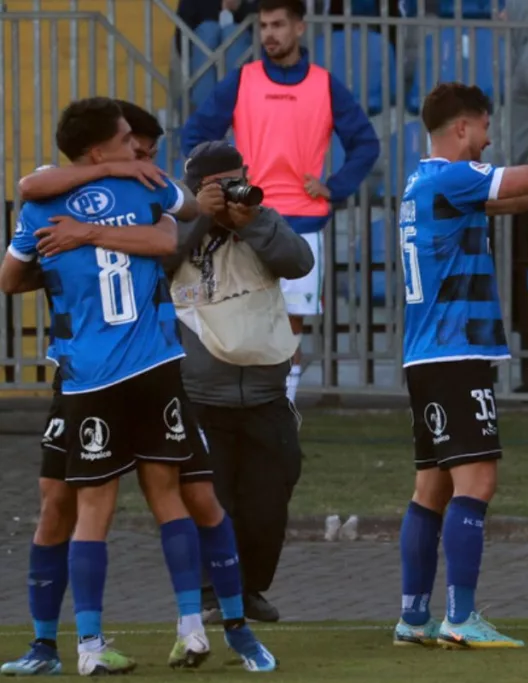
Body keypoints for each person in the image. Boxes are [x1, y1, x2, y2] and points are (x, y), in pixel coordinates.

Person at [1, 104, 277, 675]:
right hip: (99, 374)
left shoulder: (56, 201)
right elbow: (166, 232)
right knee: (74, 502)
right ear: (99, 151)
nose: (142, 152)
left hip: (124, 370)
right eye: (130, 142)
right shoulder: (126, 187)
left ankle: (202, 630)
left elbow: (168, 237)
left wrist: (83, 237)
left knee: (167, 498)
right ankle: (63, 645)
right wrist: (82, 238)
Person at [393, 79, 528, 649]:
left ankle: (414, 617)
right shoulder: (451, 176)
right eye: (486, 128)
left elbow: (525, 196)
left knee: (432, 488)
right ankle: (462, 617)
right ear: (462, 128)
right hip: (454, 352)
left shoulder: (424, 183)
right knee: (478, 480)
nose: (490, 140)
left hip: (428, 354)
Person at [181, 0, 381, 403]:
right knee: (242, 313)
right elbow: (195, 136)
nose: (269, 34)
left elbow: (366, 143)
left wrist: (335, 186)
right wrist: (220, 184)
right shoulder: (243, 79)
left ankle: (282, 412)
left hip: (303, 222)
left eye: (277, 25)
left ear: (300, 28)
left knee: (290, 325)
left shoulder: (324, 84)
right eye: (264, 26)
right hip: (245, 220)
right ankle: (244, 403)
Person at [168, 141, 312, 625]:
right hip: (202, 394)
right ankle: (214, 594)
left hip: (266, 395)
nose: (234, 190)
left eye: (238, 178)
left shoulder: (261, 220)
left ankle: (250, 588)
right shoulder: (175, 225)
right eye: (220, 185)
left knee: (269, 501)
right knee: (213, 500)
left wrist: (252, 223)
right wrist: (200, 218)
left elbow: (299, 261)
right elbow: (156, 267)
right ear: (197, 189)